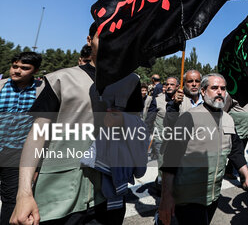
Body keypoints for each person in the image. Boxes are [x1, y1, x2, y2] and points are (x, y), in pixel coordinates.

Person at [10, 24, 144, 225]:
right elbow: (37, 135)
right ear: (89, 40)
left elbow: (138, 131)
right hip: (59, 194)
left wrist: (124, 121)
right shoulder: (61, 79)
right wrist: (23, 193)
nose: (111, 42)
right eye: (103, 36)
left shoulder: (131, 82)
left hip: (109, 194)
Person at [158, 73, 248, 225]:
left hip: (212, 197)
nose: (219, 92)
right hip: (188, 198)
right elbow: (170, 159)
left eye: (223, 89)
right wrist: (166, 197)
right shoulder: (188, 118)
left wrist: (247, 176)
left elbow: (236, 151)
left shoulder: (228, 119)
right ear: (203, 92)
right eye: (214, 88)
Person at [0, 52, 43, 225]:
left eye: (25, 68)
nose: (17, 71)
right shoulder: (1, 86)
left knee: (11, 200)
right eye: (14, 66)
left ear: (35, 70)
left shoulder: (41, 91)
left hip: (17, 153)